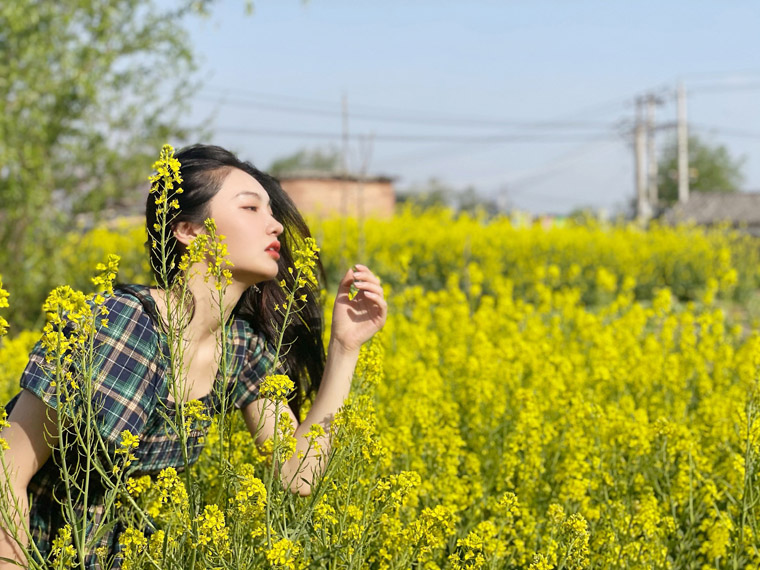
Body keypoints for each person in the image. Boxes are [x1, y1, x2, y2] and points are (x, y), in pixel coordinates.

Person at [0, 144, 387, 568]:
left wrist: (345, 347)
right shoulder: (117, 324)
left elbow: (298, 474)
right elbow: (5, 476)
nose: (276, 224)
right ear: (188, 230)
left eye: (271, 211)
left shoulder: (239, 349)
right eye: (251, 208)